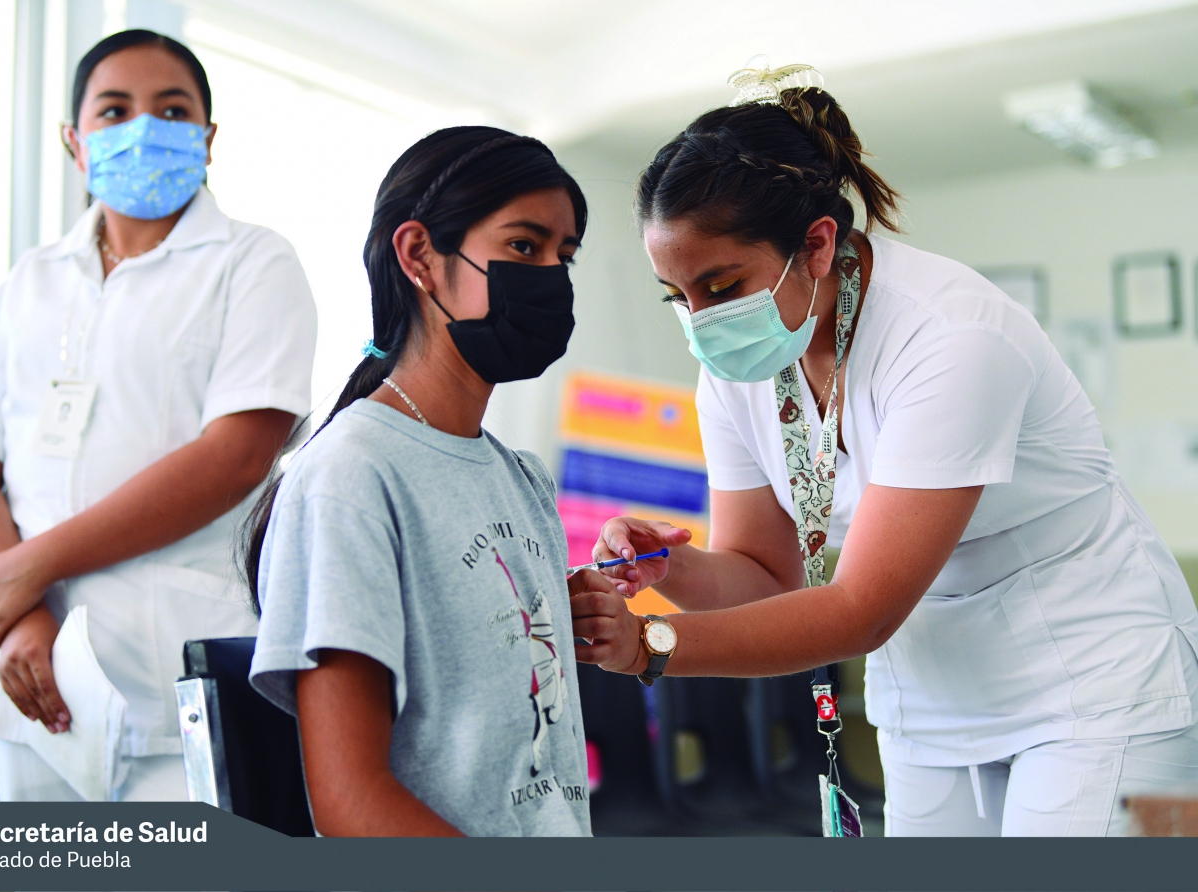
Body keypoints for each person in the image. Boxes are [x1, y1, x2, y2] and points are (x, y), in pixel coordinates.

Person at [570, 61, 1198, 836]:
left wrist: (651, 646)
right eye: (679, 296)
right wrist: (669, 571)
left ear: (819, 244)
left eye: (723, 285)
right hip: (934, 700)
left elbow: (860, 611)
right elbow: (767, 577)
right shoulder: (737, 371)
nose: (701, 321)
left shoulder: (949, 335)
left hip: (1098, 688)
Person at [247, 126, 611, 837]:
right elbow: (351, 807)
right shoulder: (350, 477)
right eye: (523, 247)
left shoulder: (521, 477)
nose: (550, 278)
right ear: (419, 256)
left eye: (563, 256)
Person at [0, 29, 316, 801]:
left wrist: (29, 568)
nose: (143, 127)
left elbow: (236, 455)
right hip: (26, 679)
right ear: (75, 144)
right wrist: (22, 612)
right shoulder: (27, 279)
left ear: (208, 140)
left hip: (171, 687)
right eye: (113, 110)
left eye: (172, 110)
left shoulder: (254, 261)